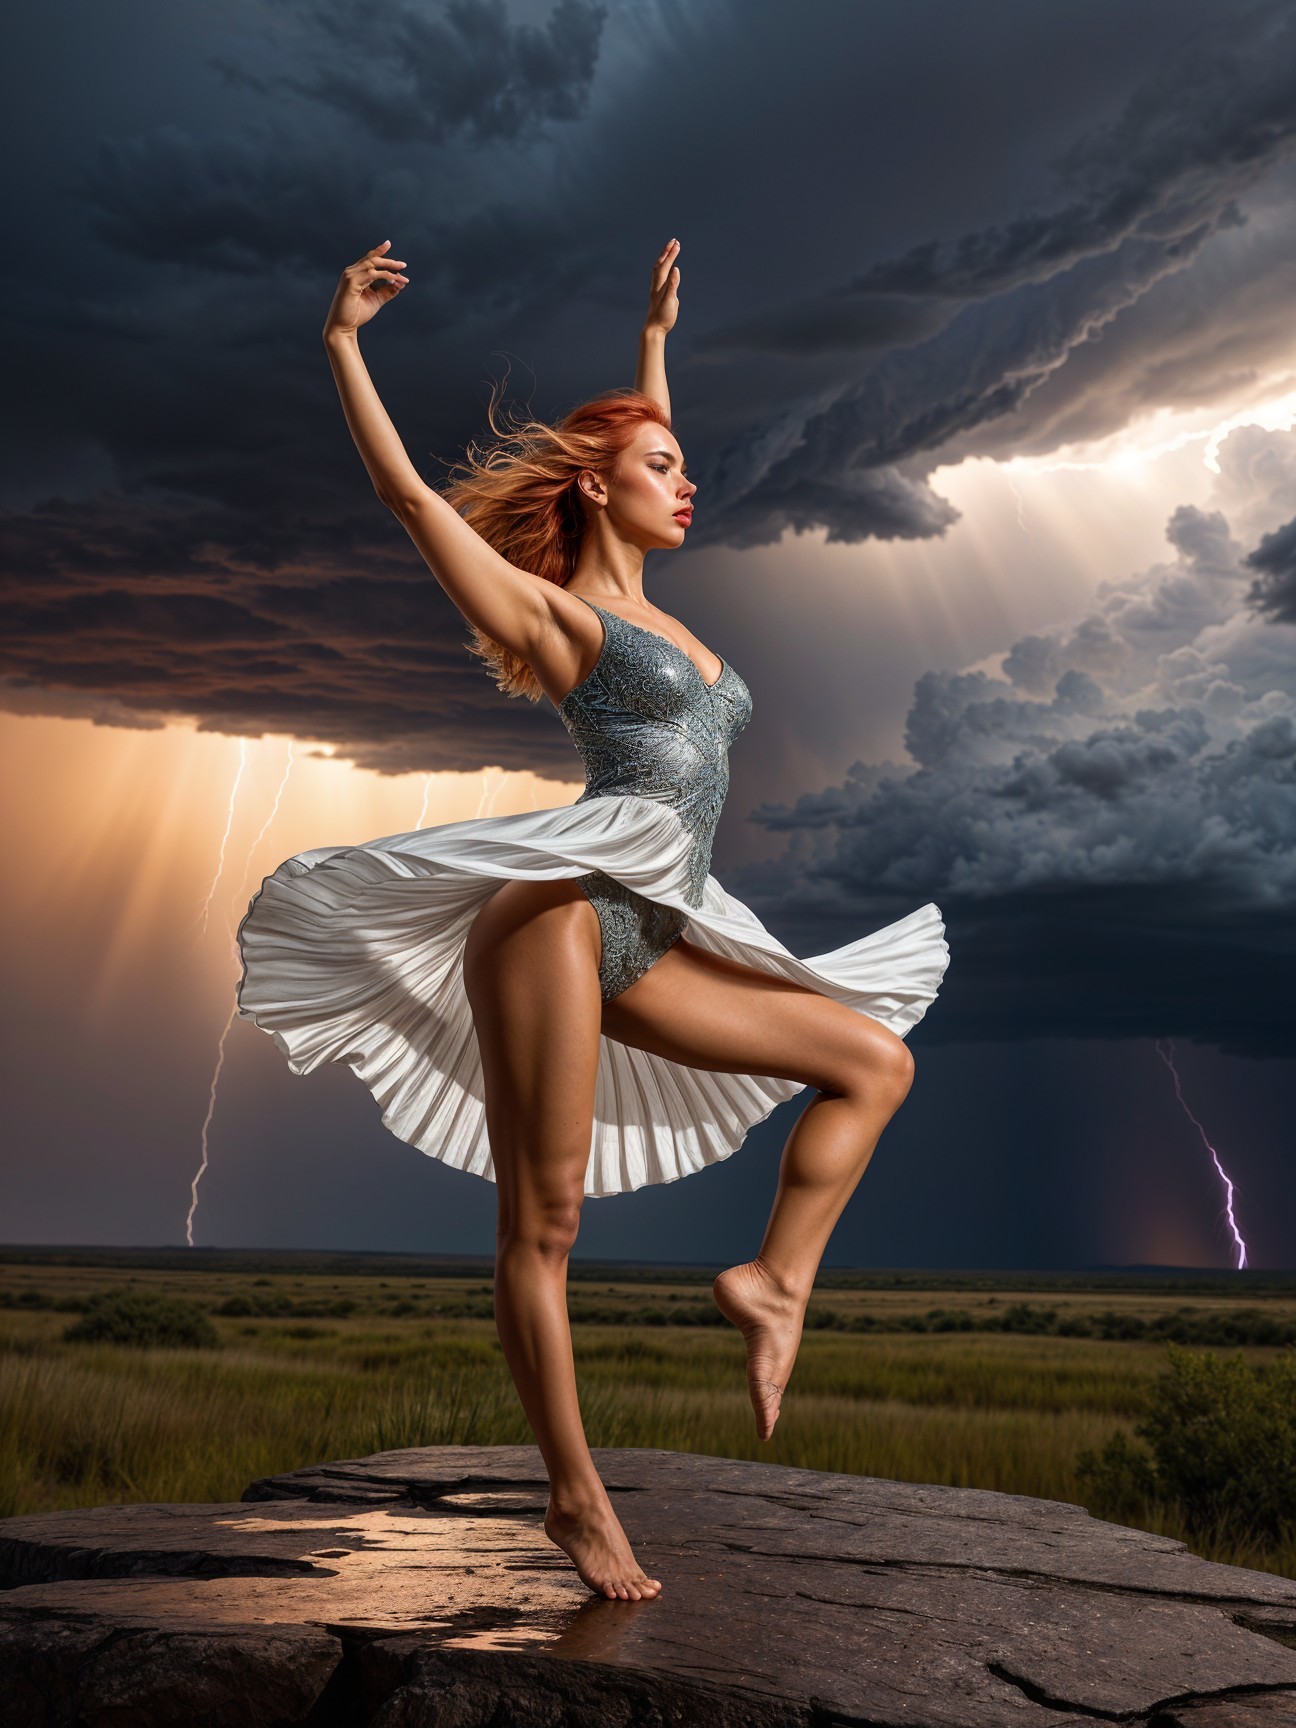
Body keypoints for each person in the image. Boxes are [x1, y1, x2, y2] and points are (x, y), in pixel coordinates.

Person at [236, 237, 950, 1603]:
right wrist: (341, 343)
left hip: (655, 925)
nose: (694, 481)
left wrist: (654, 339)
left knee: (874, 1060)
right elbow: (403, 498)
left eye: (686, 464)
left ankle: (774, 1286)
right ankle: (573, 1497)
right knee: (545, 1225)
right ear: (596, 486)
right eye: (666, 469)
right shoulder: (563, 623)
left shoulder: (668, 618)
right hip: (558, 915)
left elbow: (634, 454)